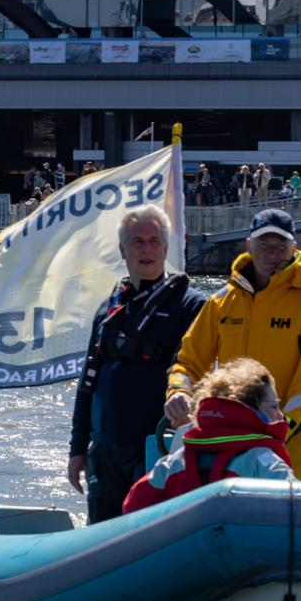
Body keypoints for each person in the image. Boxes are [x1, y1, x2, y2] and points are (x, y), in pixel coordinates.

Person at [166, 208, 301, 481]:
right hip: (228, 444)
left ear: (294, 247)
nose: (272, 252)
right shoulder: (221, 301)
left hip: (290, 444)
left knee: (289, 519)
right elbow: (188, 362)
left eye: (280, 245)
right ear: (249, 245)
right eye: (264, 243)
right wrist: (178, 392)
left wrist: (279, 427)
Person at [65, 205, 208, 524]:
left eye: (154, 241)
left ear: (166, 248)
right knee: (100, 536)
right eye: (137, 242)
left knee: (149, 533)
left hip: (155, 448)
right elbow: (87, 382)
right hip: (105, 450)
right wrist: (77, 448)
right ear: (122, 250)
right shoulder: (108, 309)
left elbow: (194, 371)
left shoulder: (191, 305)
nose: (146, 249)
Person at [122, 358, 293, 514]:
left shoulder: (174, 463)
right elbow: (298, 512)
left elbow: (133, 506)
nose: (280, 416)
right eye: (274, 406)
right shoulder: (264, 461)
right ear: (252, 409)